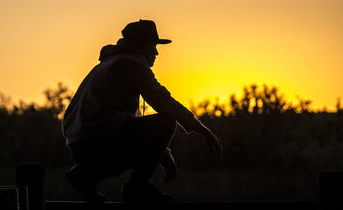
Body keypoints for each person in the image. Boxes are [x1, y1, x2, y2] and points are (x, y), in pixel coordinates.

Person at [61, 19, 222, 203]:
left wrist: (162, 153)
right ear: (142, 46)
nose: (156, 52)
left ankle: (84, 176)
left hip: (81, 145)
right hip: (98, 142)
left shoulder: (112, 62)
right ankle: (136, 188)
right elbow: (164, 103)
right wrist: (203, 130)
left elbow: (128, 123)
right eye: (153, 45)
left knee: (139, 138)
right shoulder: (132, 63)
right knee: (166, 122)